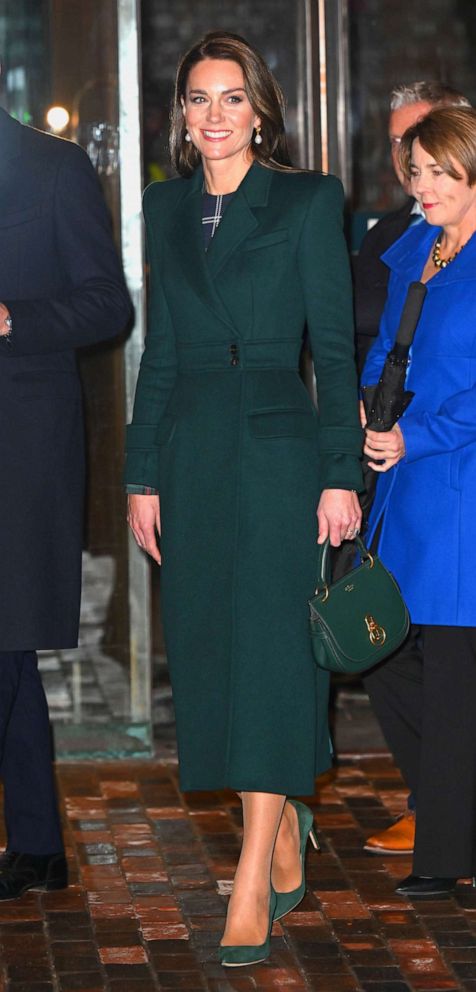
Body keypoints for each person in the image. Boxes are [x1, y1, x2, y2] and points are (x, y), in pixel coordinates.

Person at [126, 31, 362, 965]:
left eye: (231, 99)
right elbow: (160, 359)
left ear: (260, 111)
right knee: (216, 657)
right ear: (180, 116)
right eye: (197, 100)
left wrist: (340, 470)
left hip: (278, 456)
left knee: (270, 657)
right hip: (191, 459)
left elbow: (334, 352)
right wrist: (142, 474)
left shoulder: (308, 201)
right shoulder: (165, 207)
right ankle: (284, 819)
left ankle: (250, 875)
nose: (214, 116)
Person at [0, 107, 131, 898]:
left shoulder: (53, 166)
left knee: (6, 637)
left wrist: (12, 317)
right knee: (6, 646)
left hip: (20, 451)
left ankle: (41, 846)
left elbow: (108, 305)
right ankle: (41, 844)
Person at [361, 105, 476, 897]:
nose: (424, 186)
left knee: (452, 670)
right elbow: (383, 345)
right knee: (379, 651)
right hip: (399, 484)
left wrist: (419, 435)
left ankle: (443, 851)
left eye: (442, 173)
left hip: (460, 486)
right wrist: (369, 413)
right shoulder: (417, 248)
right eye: (417, 171)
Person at [355, 81, 470, 372]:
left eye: (436, 169)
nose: (406, 153)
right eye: (396, 142)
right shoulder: (390, 238)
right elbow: (382, 343)